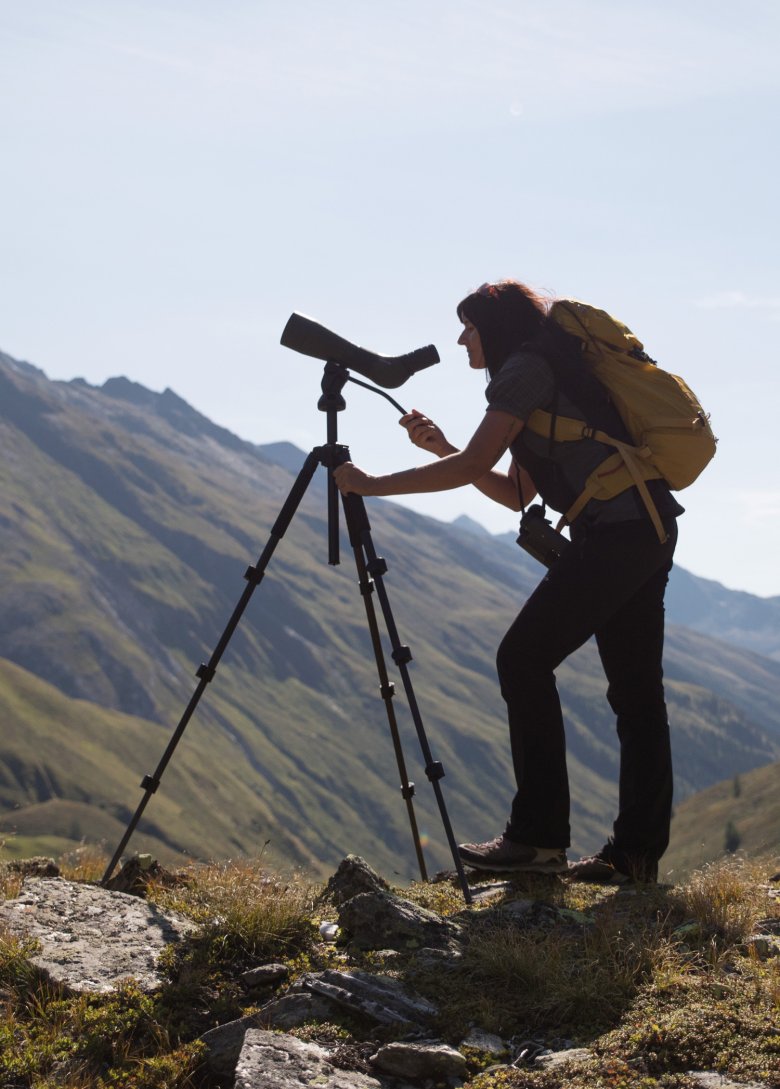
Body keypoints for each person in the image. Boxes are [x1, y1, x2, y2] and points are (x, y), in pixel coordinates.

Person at [333, 280, 683, 884]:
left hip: (618, 534)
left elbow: (472, 467)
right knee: (635, 695)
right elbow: (516, 490)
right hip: (640, 528)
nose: (462, 337)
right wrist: (442, 445)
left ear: (495, 330)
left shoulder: (522, 371)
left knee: (523, 660)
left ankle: (539, 839)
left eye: (469, 325)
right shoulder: (545, 371)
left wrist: (370, 484)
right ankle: (634, 857)